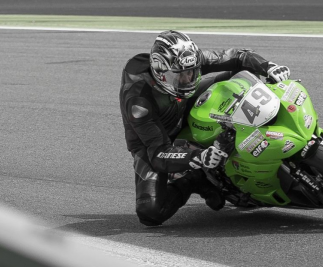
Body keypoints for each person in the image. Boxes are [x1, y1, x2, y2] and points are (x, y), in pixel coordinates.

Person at [119, 30, 290, 226]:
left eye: (191, 72)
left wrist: (268, 66)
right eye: (180, 76)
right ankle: (194, 179)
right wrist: (198, 157)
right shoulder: (138, 102)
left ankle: (268, 124)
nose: (188, 79)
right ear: (162, 74)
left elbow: (237, 56)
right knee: (150, 211)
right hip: (153, 141)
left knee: (238, 75)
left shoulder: (185, 60)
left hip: (183, 104)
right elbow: (158, 154)